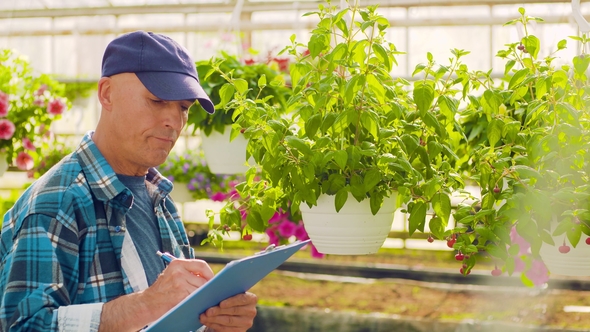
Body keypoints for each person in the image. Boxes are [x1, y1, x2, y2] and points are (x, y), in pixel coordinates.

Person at [0, 31, 257, 332]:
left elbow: (173, 315)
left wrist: (215, 321)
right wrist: (147, 304)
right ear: (107, 93)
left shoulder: (161, 198)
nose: (174, 121)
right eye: (158, 100)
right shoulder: (57, 202)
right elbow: (24, 326)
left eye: (184, 107)